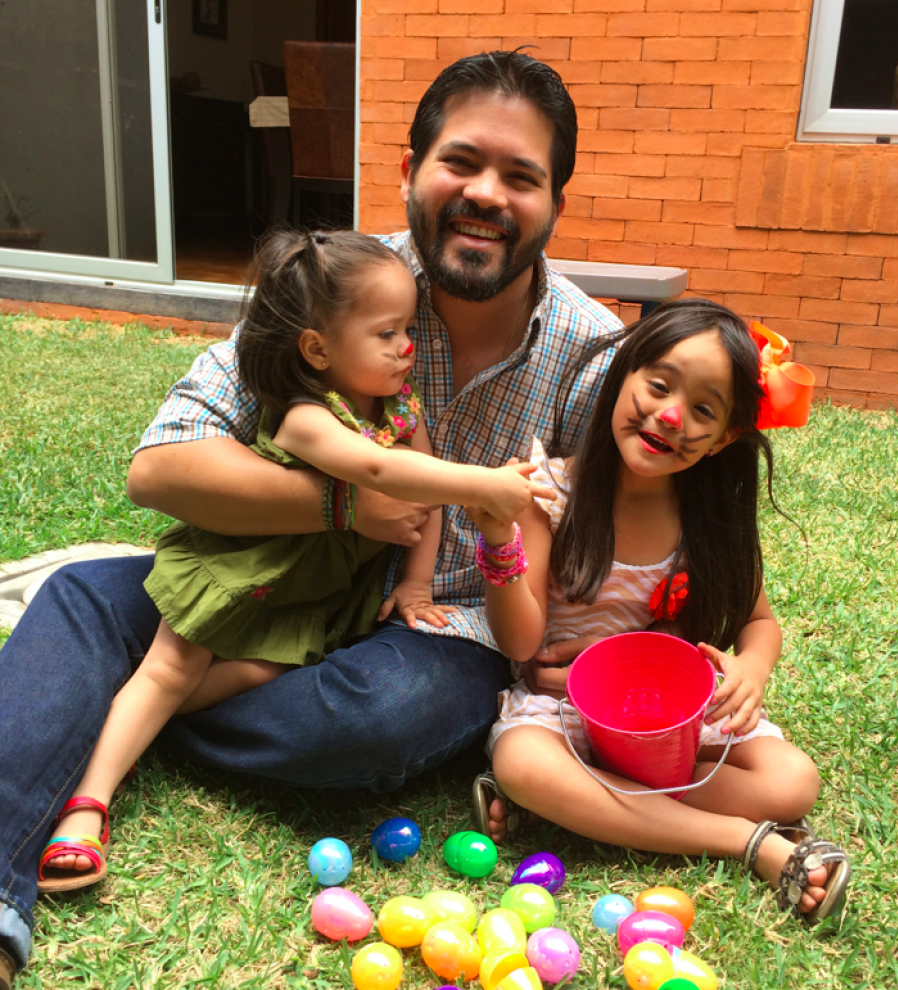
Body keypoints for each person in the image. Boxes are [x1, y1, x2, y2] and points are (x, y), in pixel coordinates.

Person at [0, 50, 624, 983]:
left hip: (438, 626)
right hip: (270, 573)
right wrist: (343, 504)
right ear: (409, 170)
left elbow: (632, 524)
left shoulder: (593, 352)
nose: (486, 194)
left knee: (380, 717)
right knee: (87, 599)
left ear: (555, 204)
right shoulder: (331, 284)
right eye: (461, 161)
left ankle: (127, 702)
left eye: (521, 176)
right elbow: (160, 466)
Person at [36, 229, 552, 892]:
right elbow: (378, 470)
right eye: (387, 333)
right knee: (170, 670)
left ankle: (120, 719)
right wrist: (483, 484)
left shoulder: (403, 409)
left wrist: (417, 583)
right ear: (317, 348)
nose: (407, 347)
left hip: (315, 595)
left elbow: (422, 495)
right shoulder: (308, 416)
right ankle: (87, 806)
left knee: (256, 673)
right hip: (246, 568)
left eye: (408, 331)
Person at [467, 299, 851, 925]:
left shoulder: (709, 518)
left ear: (725, 437)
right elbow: (519, 642)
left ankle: (585, 803)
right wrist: (499, 541)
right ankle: (746, 842)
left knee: (792, 782)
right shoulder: (549, 492)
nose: (670, 416)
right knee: (523, 763)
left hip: (672, 722)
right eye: (659, 385)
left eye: (703, 410)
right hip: (564, 715)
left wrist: (751, 671)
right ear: (623, 374)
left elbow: (759, 623)